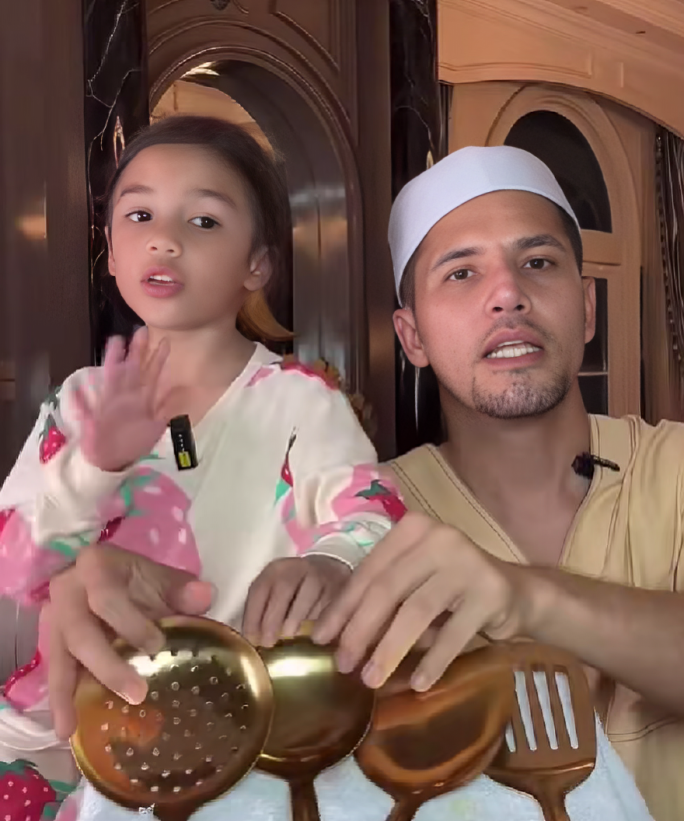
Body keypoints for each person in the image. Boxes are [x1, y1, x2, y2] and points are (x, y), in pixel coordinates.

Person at [0, 115, 404, 820]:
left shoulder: (301, 400)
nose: (165, 238)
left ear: (257, 265)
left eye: (205, 220)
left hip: (233, 735)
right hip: (62, 732)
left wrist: (330, 563)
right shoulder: (78, 400)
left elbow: (372, 513)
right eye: (140, 215)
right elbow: (15, 564)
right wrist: (94, 467)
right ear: (112, 253)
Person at [313, 145, 684, 821]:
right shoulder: (359, 521)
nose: (508, 292)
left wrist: (525, 596)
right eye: (461, 273)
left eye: (537, 262)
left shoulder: (675, 470)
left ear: (588, 308)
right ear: (412, 337)